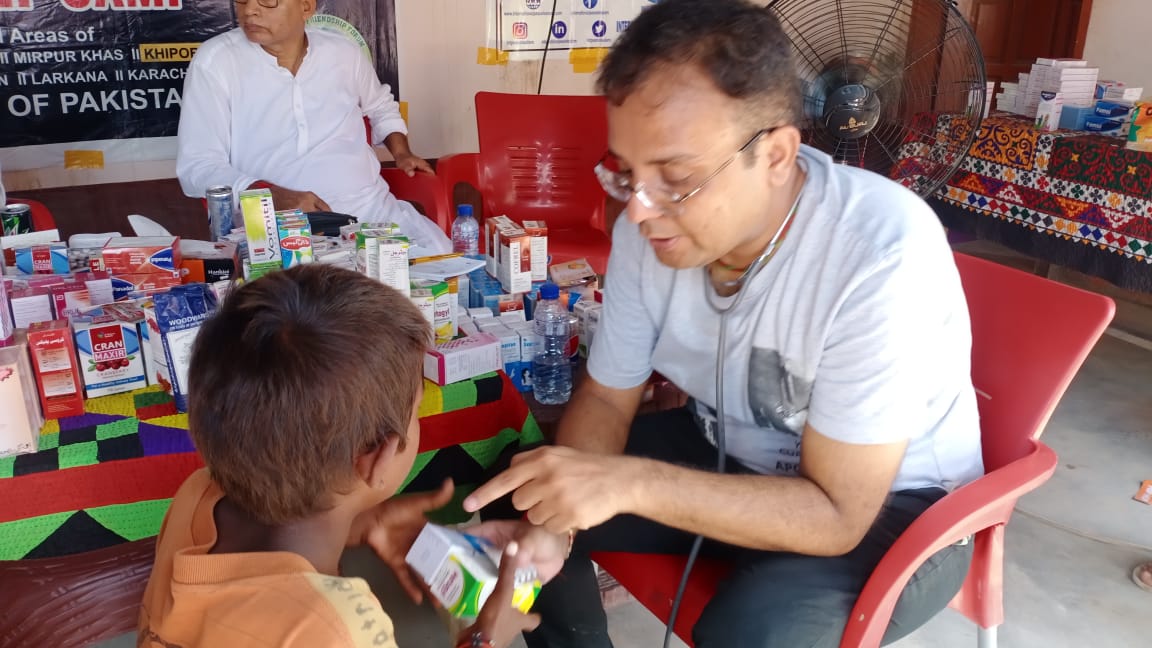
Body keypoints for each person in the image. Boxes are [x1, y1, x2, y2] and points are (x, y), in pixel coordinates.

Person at [461, 1, 986, 646]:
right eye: (626, 173)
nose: (638, 212)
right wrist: (552, 525)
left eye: (676, 179)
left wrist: (630, 483)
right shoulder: (645, 228)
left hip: (893, 504)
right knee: (528, 490)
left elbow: (837, 515)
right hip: (730, 450)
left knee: (751, 631)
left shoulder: (878, 250)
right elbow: (604, 395)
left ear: (775, 155)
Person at [137, 264, 553, 648]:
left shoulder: (197, 495)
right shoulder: (338, 629)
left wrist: (360, 520)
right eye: (416, 409)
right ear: (377, 457)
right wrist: (485, 639)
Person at [176, 0, 451, 253]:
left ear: (306, 7)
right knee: (312, 301)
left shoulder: (343, 52)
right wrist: (269, 196)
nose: (250, 11)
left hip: (369, 212)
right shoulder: (216, 62)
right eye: (243, 0)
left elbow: (380, 106)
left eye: (267, 1)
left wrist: (401, 152)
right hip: (276, 228)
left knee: (441, 263)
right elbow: (198, 165)